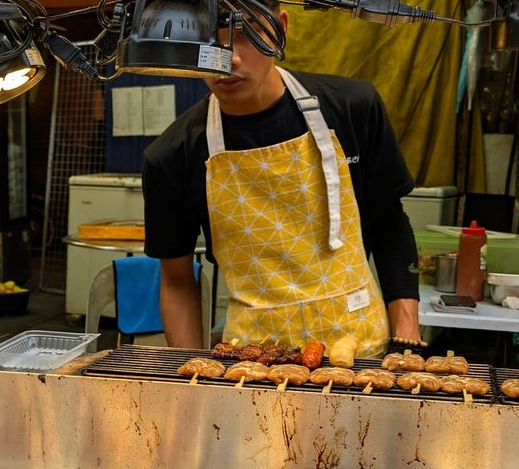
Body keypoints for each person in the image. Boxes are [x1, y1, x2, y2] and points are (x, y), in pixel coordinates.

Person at [142, 20, 420, 356]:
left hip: (360, 352)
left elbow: (390, 225)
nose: (228, 58)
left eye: (244, 35)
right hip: (251, 361)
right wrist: (192, 371)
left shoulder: (353, 107)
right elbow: (176, 280)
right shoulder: (173, 155)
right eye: (206, 41)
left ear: (280, 27)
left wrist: (407, 341)